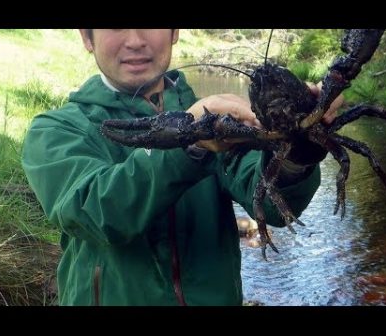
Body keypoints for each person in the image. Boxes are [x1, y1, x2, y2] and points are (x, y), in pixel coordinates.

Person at [22, 29, 342, 306]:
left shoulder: (221, 116)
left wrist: (298, 152)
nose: (135, 41)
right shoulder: (55, 130)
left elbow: (273, 205)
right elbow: (93, 212)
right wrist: (190, 142)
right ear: (86, 37)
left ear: (175, 32)